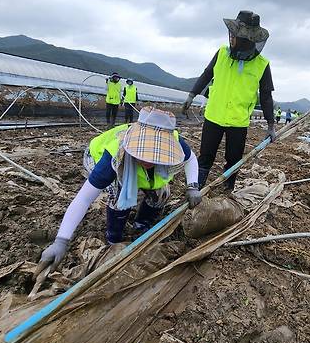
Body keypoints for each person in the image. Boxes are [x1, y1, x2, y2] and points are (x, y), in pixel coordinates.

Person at [36, 107, 201, 273]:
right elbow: (84, 199)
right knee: (118, 197)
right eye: (143, 152)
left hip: (141, 172)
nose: (148, 159)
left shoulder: (176, 142)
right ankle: (114, 238)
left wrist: (193, 186)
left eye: (155, 154)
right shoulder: (113, 156)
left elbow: (191, 158)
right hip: (96, 155)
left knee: (162, 193)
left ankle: (141, 224)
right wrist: (61, 241)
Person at [181, 10, 276, 191]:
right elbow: (207, 74)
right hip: (214, 116)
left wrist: (271, 124)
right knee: (206, 155)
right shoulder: (222, 53)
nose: (231, 37)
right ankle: (198, 186)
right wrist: (191, 95)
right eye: (231, 33)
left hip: (238, 121)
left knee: (233, 159)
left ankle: (228, 188)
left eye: (235, 35)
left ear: (246, 39)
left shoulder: (262, 64)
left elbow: (266, 96)